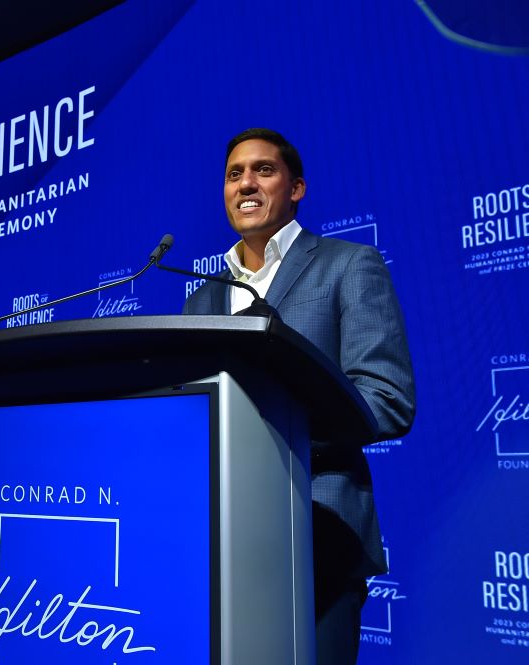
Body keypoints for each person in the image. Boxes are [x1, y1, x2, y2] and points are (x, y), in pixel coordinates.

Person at [183, 128, 416, 665]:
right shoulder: (202, 296)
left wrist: (275, 430)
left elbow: (387, 398)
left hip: (319, 534)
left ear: (297, 188)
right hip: (216, 543)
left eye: (263, 170)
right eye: (234, 173)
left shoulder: (348, 265)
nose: (246, 183)